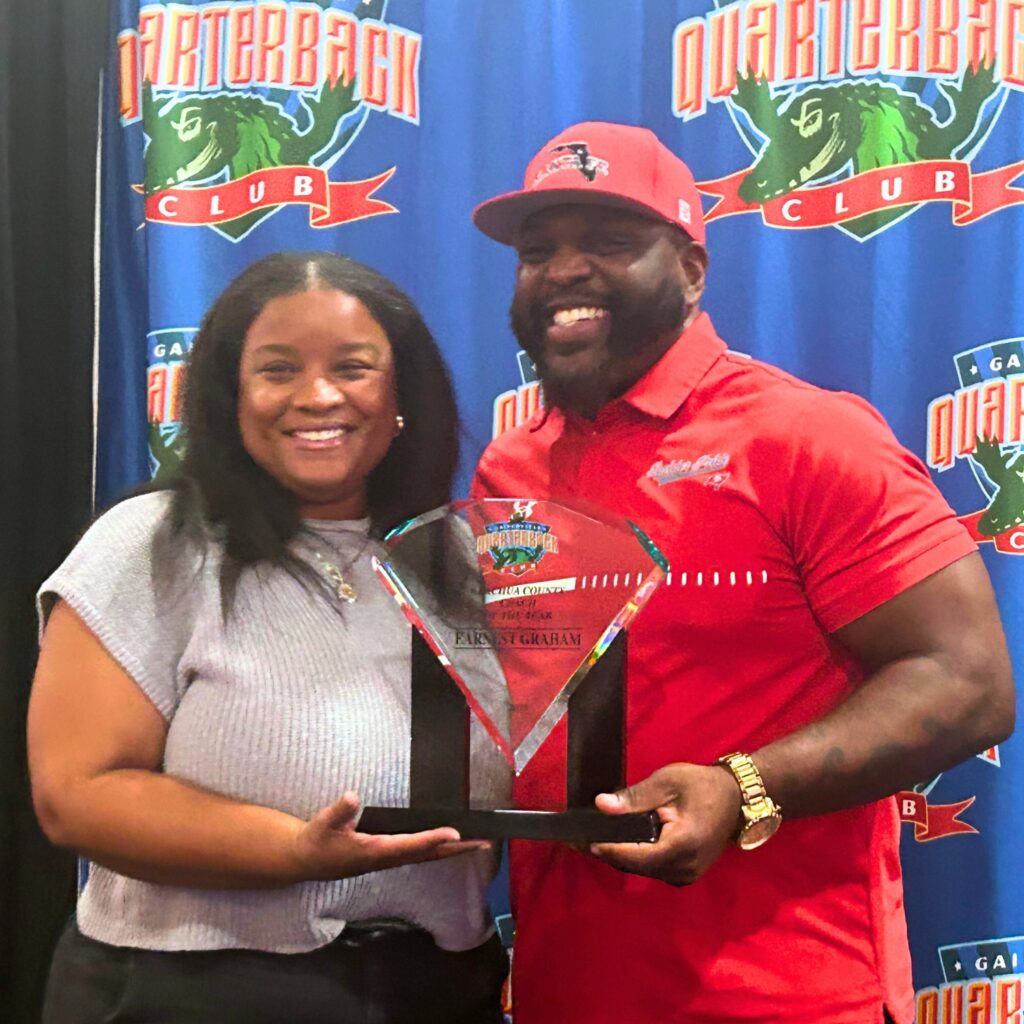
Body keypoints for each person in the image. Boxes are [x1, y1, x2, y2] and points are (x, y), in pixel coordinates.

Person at [470, 122, 1015, 1024]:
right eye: (538, 252)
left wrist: (740, 788)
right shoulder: (509, 469)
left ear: (691, 270)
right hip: (569, 989)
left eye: (607, 241)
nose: (563, 270)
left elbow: (969, 683)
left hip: (786, 995)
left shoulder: (805, 437)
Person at [28, 251, 509, 1024]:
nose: (317, 396)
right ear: (231, 395)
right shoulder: (151, 545)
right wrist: (293, 852)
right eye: (278, 369)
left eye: (353, 368)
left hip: (442, 986)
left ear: (402, 396)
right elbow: (77, 794)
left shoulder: (462, 559)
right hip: (192, 994)